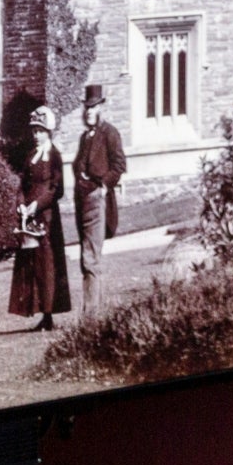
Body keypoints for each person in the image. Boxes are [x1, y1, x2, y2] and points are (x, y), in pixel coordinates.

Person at [9, 105, 74, 331]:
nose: (35, 135)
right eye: (34, 131)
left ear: (49, 132)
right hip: (29, 219)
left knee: (47, 266)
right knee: (32, 264)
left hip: (47, 219)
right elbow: (22, 186)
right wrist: (20, 205)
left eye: (40, 131)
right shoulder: (31, 157)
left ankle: (49, 315)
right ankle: (39, 312)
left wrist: (36, 205)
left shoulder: (54, 156)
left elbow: (58, 189)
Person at [72, 84, 128, 317]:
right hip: (82, 200)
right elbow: (78, 166)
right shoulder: (85, 137)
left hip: (97, 199)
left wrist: (104, 186)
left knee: (90, 258)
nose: (89, 112)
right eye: (87, 107)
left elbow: (119, 165)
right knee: (88, 258)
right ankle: (95, 312)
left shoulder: (110, 133)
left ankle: (90, 317)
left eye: (93, 107)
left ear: (102, 107)